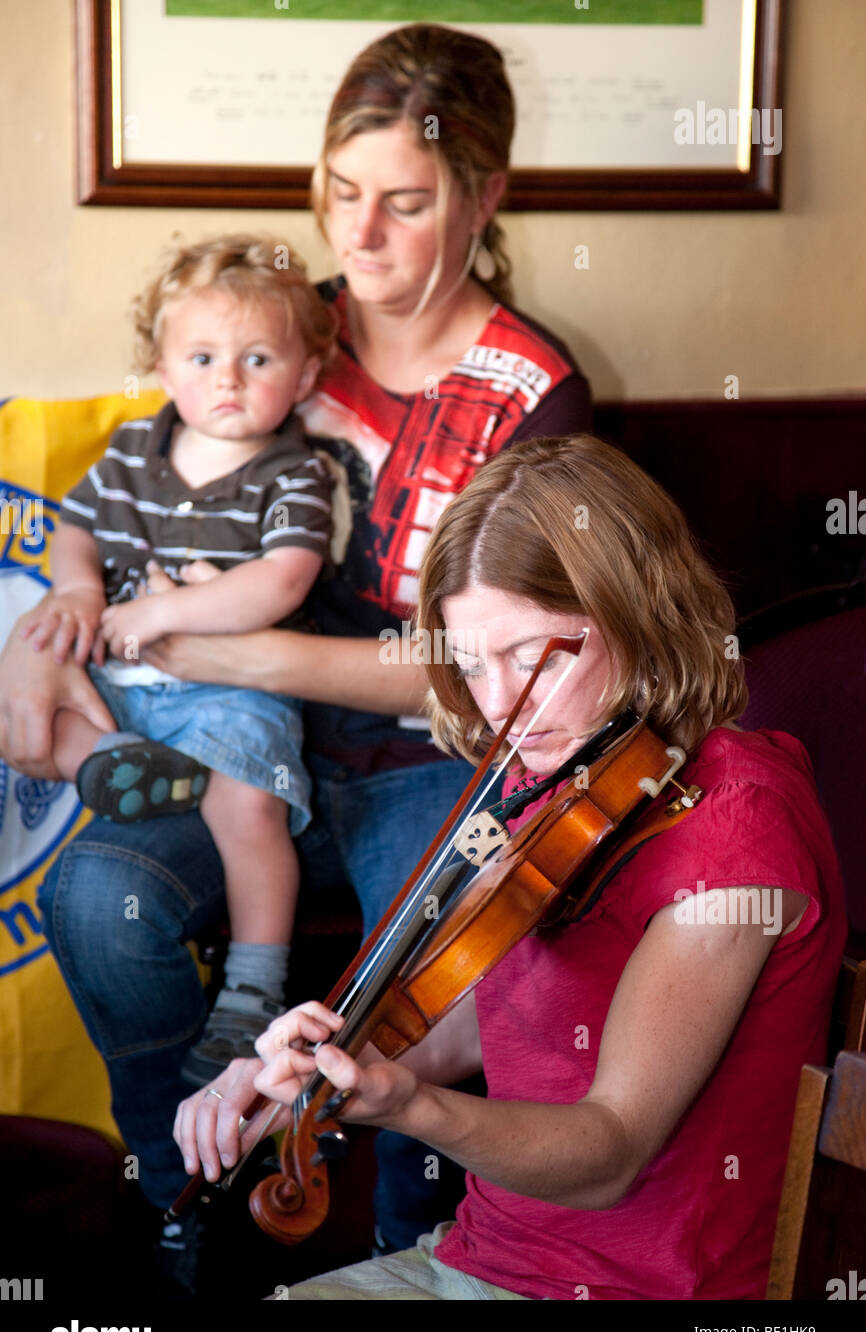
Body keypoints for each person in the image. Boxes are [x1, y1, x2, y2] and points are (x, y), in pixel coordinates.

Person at [0, 23, 592, 1267]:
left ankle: (417, 1261)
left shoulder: (533, 393)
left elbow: (489, 667)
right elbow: (126, 516)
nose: (358, 238)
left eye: (406, 204)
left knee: (429, 974)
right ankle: (185, 1218)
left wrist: (237, 653)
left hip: (422, 759)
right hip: (228, 754)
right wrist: (44, 645)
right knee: (98, 900)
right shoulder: (273, 332)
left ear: (485, 196)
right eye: (338, 195)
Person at [175, 435, 848, 1301]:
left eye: (532, 657)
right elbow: (483, 1012)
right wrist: (315, 1077)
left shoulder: (735, 833)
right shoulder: (564, 774)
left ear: (638, 610)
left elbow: (610, 1151)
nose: (497, 706)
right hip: (484, 1255)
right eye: (468, 663)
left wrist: (410, 1110)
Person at [20, 234, 337, 1087]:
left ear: (305, 376)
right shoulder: (133, 451)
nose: (227, 379)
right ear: (163, 369)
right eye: (202, 357)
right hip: (127, 693)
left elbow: (281, 581)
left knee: (249, 809)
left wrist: (160, 612)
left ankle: (252, 993)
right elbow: (74, 531)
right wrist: (80, 592)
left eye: (257, 358)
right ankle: (119, 764)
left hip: (235, 692)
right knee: (32, 718)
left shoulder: (293, 472)